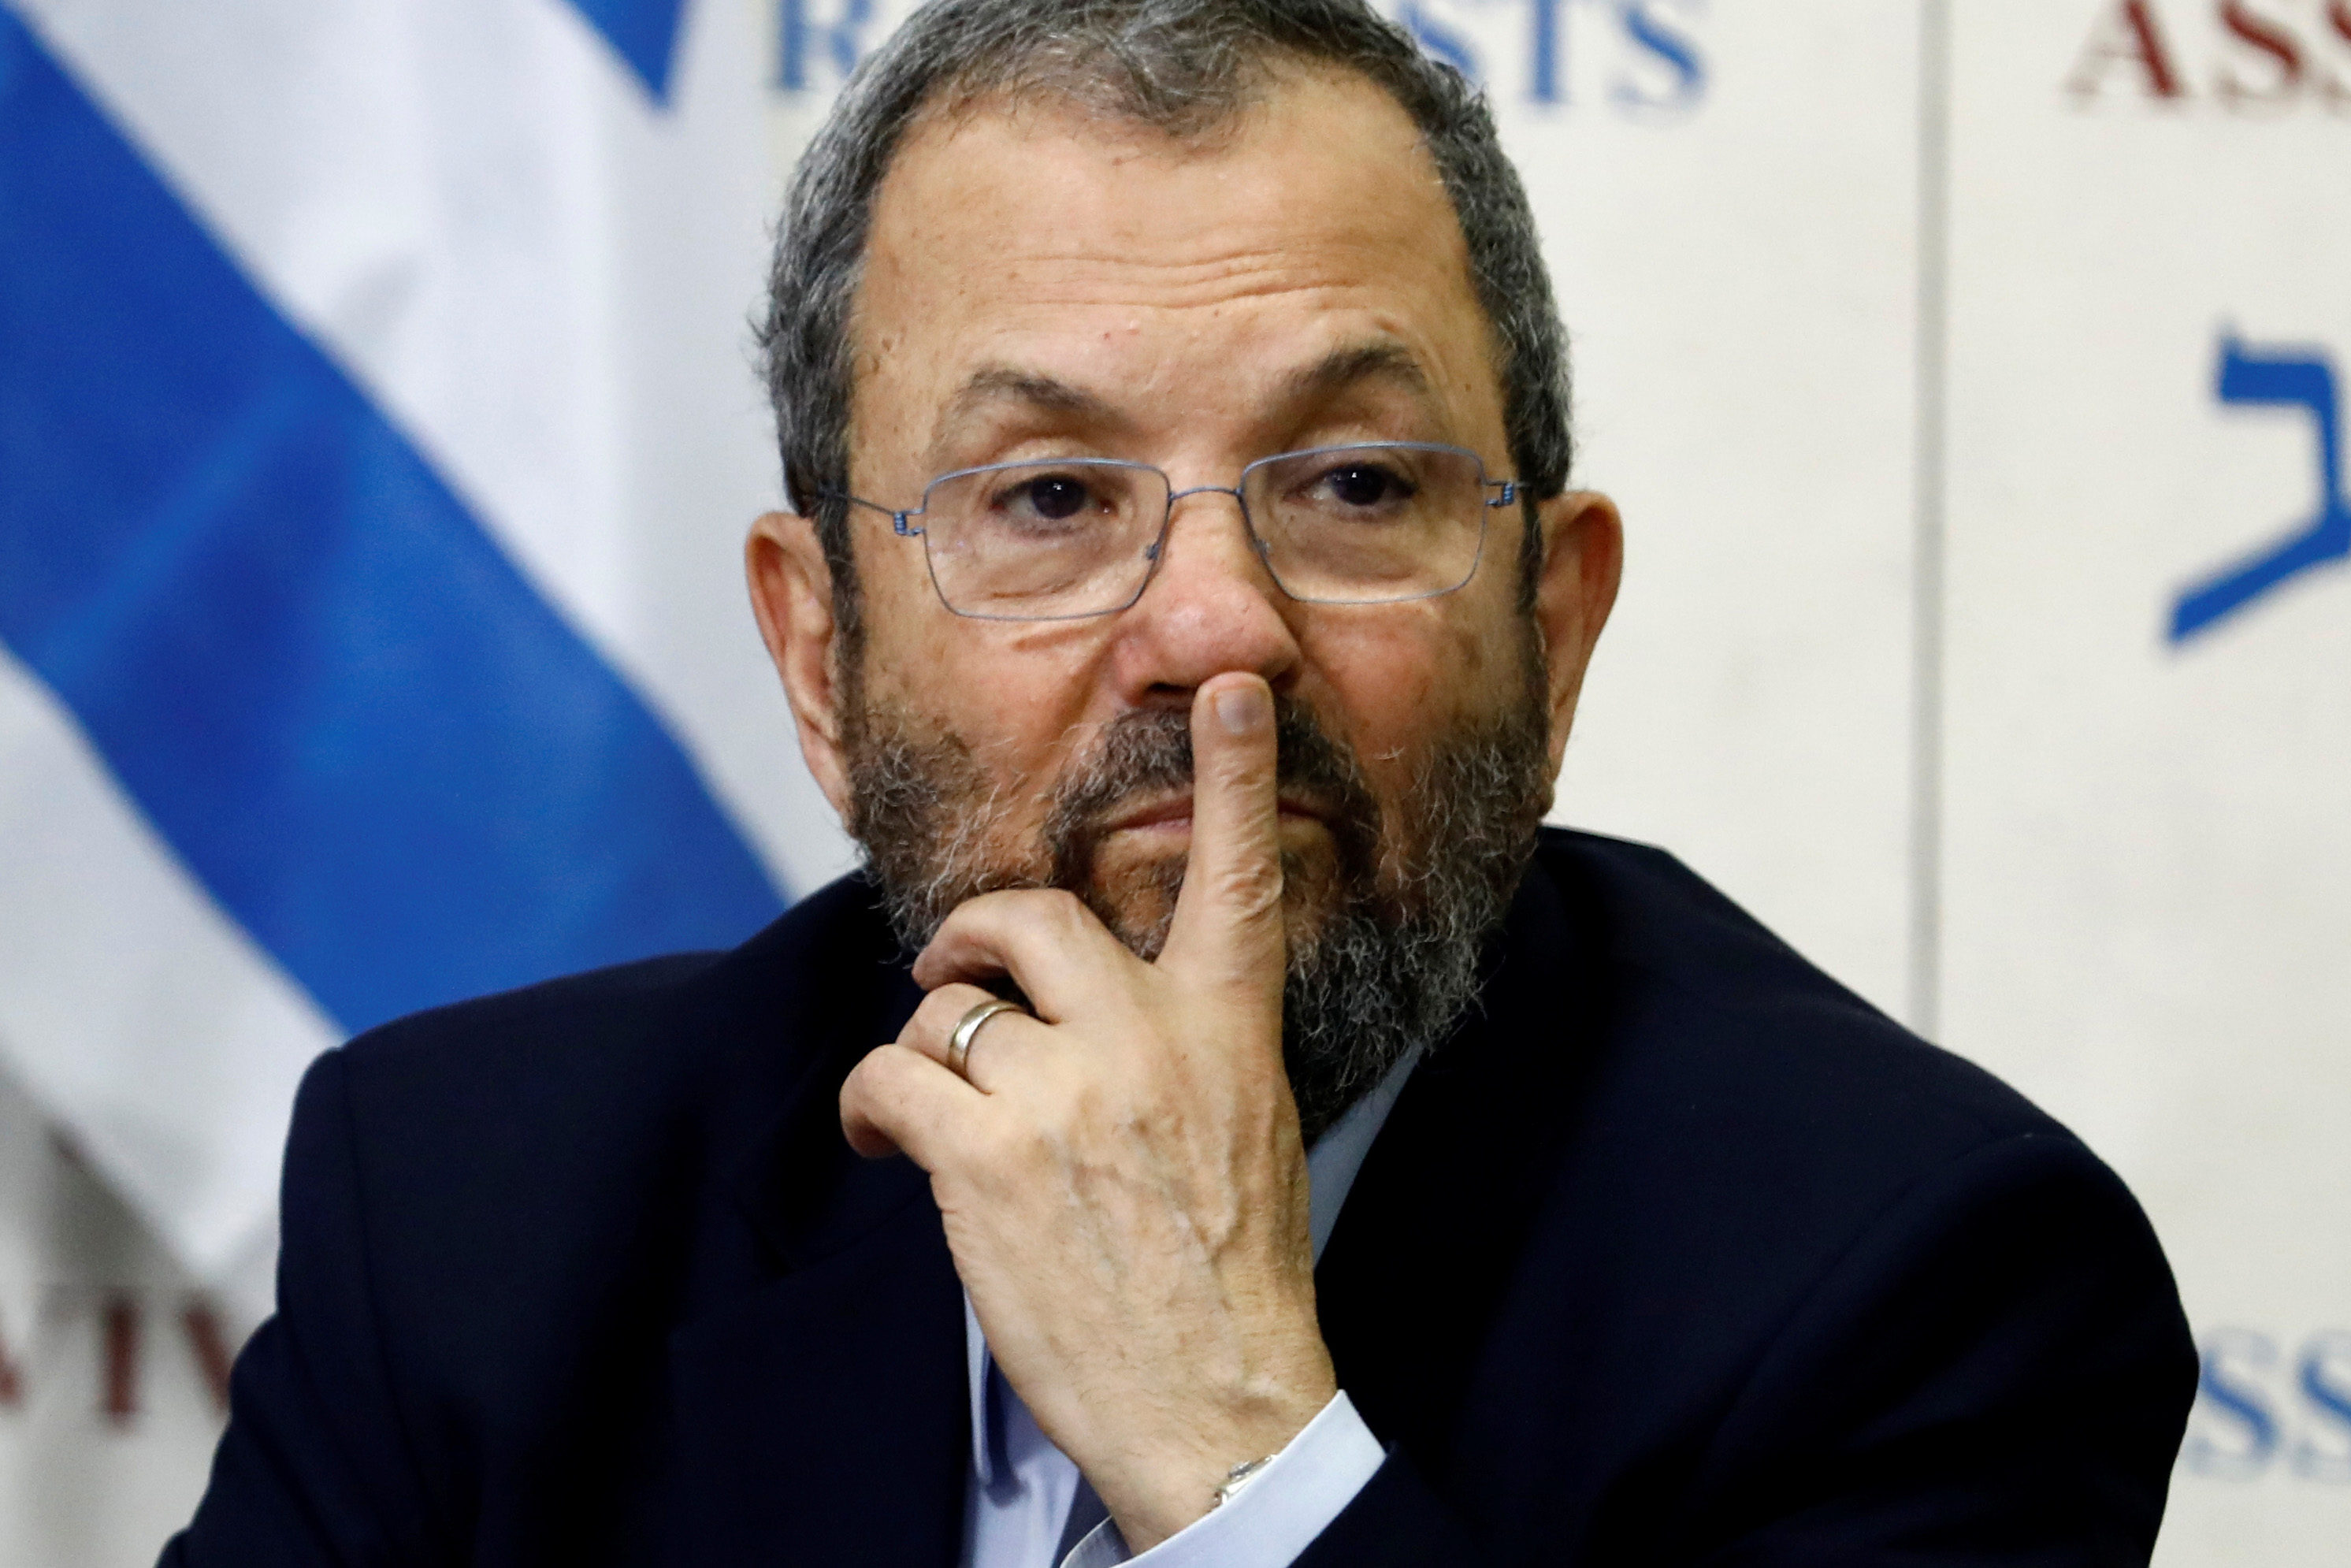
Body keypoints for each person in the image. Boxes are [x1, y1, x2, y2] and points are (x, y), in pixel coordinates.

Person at [163, 2, 2197, 1564]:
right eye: (1048, 496)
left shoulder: (1921, 1284)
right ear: (818, 654)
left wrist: (1234, 1445)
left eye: (1354, 487)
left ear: (1554, 628)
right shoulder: (473, 1214)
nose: (1218, 629)